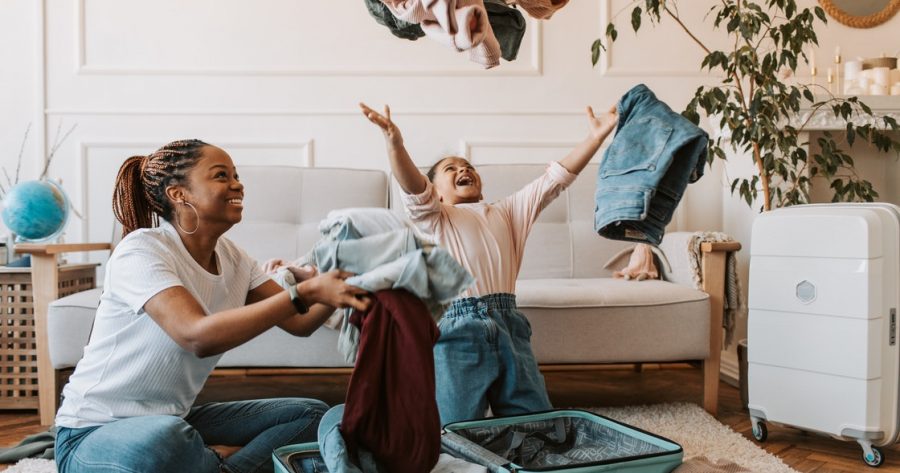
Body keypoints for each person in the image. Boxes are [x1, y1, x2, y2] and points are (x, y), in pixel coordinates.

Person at [54, 139, 372, 473]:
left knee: (309, 415)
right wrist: (303, 292)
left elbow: (301, 323)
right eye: (221, 175)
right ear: (180, 194)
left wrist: (351, 282)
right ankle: (214, 459)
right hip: (91, 433)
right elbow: (196, 336)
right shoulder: (142, 250)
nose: (238, 184)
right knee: (165, 441)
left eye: (236, 175)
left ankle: (220, 466)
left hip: (175, 419)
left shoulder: (235, 259)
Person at [360, 102, 618, 424]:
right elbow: (413, 187)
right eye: (450, 169)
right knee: (453, 429)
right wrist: (395, 144)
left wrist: (595, 139)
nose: (463, 170)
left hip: (510, 325)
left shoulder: (508, 212)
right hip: (458, 331)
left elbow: (555, 180)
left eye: (467, 165)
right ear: (436, 193)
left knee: (538, 425)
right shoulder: (435, 218)